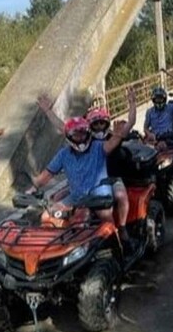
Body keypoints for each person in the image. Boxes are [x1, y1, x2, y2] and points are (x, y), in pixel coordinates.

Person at [29, 88, 138, 247]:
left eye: (102, 123)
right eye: (96, 124)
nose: (99, 127)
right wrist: (32, 188)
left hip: (104, 187)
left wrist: (121, 128)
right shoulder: (65, 153)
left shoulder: (101, 145)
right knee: (47, 216)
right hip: (78, 192)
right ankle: (52, 252)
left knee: (109, 214)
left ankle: (119, 240)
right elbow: (62, 128)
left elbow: (121, 133)